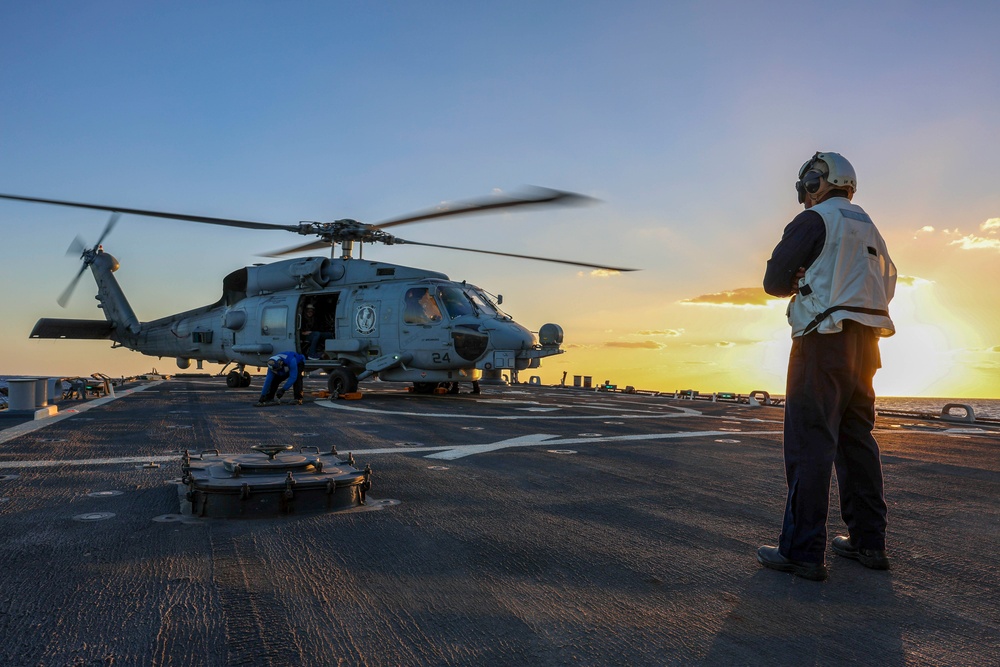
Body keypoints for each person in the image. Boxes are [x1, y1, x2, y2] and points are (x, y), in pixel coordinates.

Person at [757, 151, 897, 581]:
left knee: (810, 443)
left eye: (807, 185)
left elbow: (774, 282)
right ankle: (869, 542)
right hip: (866, 342)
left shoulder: (814, 221)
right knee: (857, 442)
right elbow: (887, 280)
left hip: (823, 342)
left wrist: (800, 279)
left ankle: (802, 551)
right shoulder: (869, 225)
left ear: (817, 182)